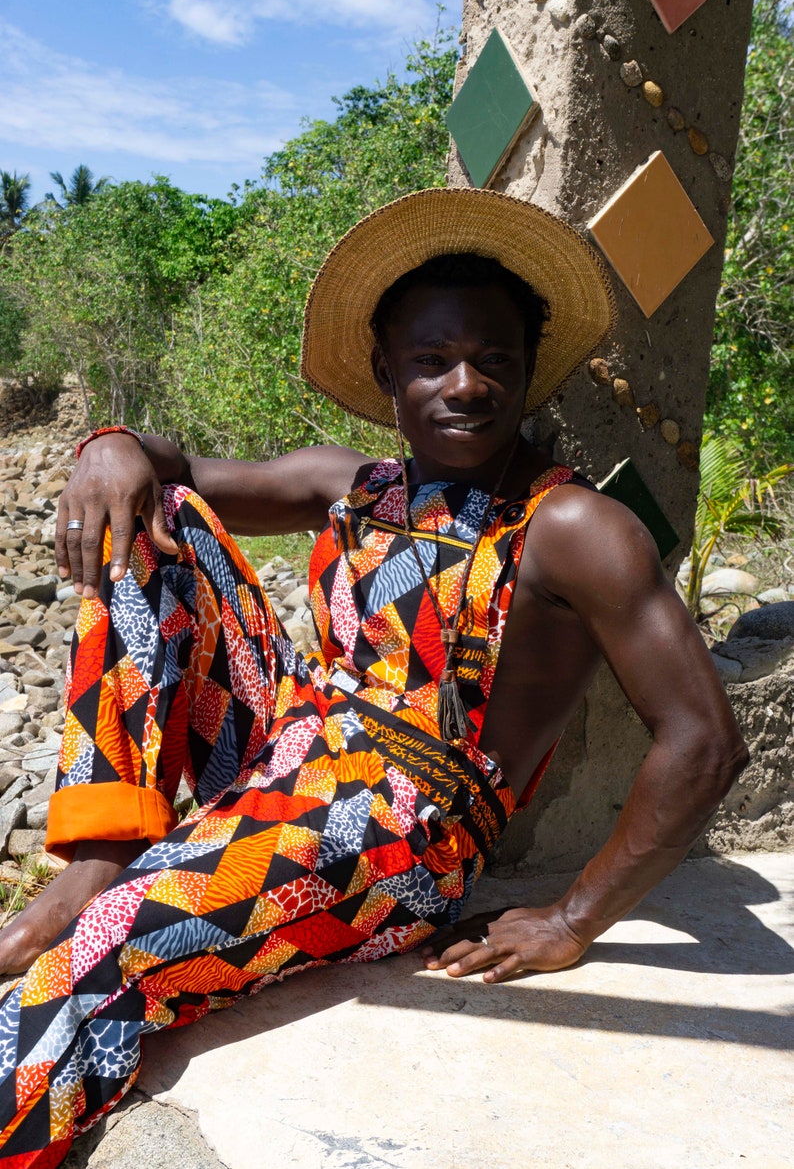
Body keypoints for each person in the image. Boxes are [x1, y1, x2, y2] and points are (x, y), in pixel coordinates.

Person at [0, 187, 746, 1165]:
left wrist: (571, 919)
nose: (466, 385)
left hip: (397, 829)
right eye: (432, 361)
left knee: (93, 961)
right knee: (160, 512)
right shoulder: (350, 485)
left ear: (528, 375)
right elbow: (169, 463)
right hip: (284, 750)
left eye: (494, 361)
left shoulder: (571, 529)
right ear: (388, 374)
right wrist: (108, 448)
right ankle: (99, 844)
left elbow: (703, 740)